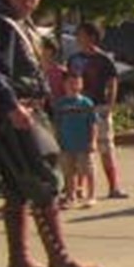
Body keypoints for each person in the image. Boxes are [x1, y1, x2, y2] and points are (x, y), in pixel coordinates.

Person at [0, 0, 101, 267]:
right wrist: (11, 105)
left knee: (18, 188)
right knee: (44, 180)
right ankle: (59, 260)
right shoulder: (2, 25)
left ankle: (20, 261)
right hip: (16, 112)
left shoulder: (18, 24)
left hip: (22, 110)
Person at [65, 21, 129, 199]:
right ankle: (79, 189)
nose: (78, 38)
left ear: (92, 37)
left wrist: (110, 104)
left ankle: (114, 186)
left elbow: (112, 82)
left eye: (81, 34)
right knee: (79, 148)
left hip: (99, 106)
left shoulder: (103, 59)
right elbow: (69, 80)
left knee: (106, 147)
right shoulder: (74, 59)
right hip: (78, 107)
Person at [50, 70, 100, 208]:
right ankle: (70, 197)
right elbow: (57, 124)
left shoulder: (86, 103)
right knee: (68, 172)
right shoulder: (60, 104)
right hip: (66, 144)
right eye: (70, 83)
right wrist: (57, 140)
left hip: (84, 144)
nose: (73, 85)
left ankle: (91, 196)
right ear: (64, 84)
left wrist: (93, 141)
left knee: (88, 170)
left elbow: (93, 124)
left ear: (81, 84)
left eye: (77, 82)